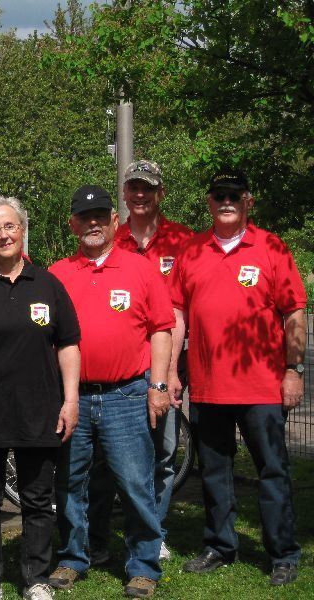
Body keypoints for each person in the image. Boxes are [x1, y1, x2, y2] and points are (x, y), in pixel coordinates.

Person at [169, 168, 306, 586]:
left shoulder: (271, 247)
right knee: (214, 472)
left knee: (272, 471)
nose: (225, 202)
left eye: (234, 195)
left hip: (262, 386)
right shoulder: (192, 250)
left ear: (248, 201)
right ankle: (220, 546)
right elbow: (177, 315)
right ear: (209, 202)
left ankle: (282, 553)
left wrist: (293, 369)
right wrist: (171, 370)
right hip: (208, 386)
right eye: (219, 195)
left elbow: (294, 313)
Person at [0, 196, 81, 600]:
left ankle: (36, 579)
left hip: (40, 410)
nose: (4, 234)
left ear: (22, 230)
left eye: (10, 226)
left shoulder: (48, 284)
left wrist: (70, 400)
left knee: (38, 500)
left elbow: (68, 344)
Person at [48, 185, 175, 599]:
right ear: (72, 225)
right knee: (71, 483)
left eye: (101, 216)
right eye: (85, 218)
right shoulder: (57, 274)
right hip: (74, 398)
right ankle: (73, 557)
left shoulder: (141, 269)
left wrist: (158, 385)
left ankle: (144, 565)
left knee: (135, 483)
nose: (93, 224)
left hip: (127, 395)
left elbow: (161, 329)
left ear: (114, 221)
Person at [87, 160, 194, 564]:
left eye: (147, 188)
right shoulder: (112, 237)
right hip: (122, 370)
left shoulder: (183, 240)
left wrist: (169, 373)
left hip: (165, 364)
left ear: (160, 193)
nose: (140, 195)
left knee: (163, 452)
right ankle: (97, 537)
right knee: (104, 457)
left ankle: (155, 532)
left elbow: (180, 310)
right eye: (133, 188)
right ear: (124, 194)